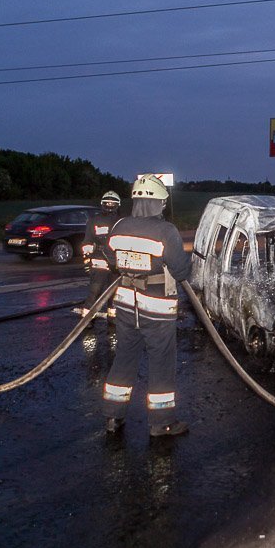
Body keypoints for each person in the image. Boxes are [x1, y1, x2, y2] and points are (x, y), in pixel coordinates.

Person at [101, 175, 191, 437]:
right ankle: (161, 423)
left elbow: (110, 257)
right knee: (161, 361)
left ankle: (112, 416)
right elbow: (181, 270)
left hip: (126, 304)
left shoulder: (119, 226)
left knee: (124, 357)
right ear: (158, 204)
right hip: (157, 307)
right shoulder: (166, 231)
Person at [76, 190, 123, 318]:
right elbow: (87, 242)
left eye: (112, 203)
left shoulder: (121, 222)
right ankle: (87, 321)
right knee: (94, 293)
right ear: (102, 204)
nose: (109, 205)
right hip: (99, 263)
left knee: (114, 296)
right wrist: (87, 260)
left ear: (117, 205)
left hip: (117, 264)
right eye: (107, 202)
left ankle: (112, 321)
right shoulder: (94, 221)